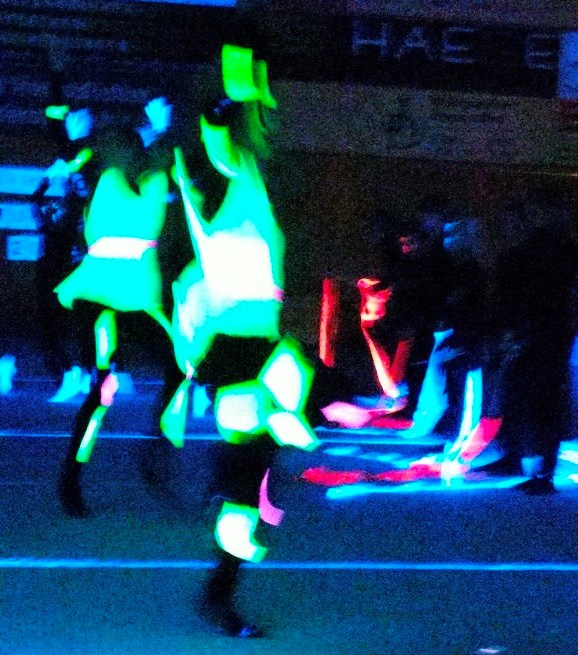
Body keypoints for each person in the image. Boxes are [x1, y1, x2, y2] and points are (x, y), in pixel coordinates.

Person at [171, 43, 323, 637]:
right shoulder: (231, 168)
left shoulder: (256, 181)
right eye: (264, 106)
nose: (273, 112)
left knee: (254, 466)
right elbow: (213, 132)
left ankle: (224, 548)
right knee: (247, 473)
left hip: (259, 347)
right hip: (235, 350)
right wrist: (226, 101)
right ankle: (218, 593)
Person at [54, 100, 180, 517]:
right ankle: (72, 479)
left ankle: (155, 453)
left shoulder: (141, 184)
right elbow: (82, 164)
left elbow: (152, 164)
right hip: (105, 303)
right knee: (103, 388)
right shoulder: (105, 178)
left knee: (180, 365)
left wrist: (155, 134)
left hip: (135, 302)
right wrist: (76, 138)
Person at [488, 192, 577, 494]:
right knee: (521, 396)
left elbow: (553, 295)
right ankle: (521, 460)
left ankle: (543, 472)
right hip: (538, 332)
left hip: (546, 334)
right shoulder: (548, 248)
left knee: (543, 402)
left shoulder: (555, 251)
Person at [32, 107, 96, 401]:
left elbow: (75, 197)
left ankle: (77, 374)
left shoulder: (83, 162)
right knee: (65, 323)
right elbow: (36, 203)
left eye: (77, 119)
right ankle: (80, 373)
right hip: (66, 261)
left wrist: (58, 175)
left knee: (72, 322)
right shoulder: (69, 175)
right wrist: (48, 179)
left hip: (71, 262)